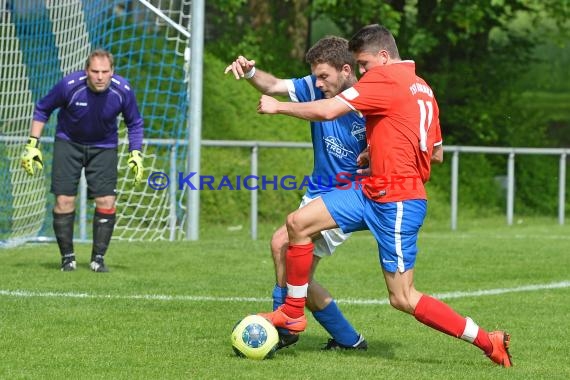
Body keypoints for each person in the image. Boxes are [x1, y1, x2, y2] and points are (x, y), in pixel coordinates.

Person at [256, 25, 512, 367]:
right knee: (297, 224)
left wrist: (277, 107)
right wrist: (377, 151)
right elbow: (435, 153)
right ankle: (291, 315)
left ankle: (487, 340)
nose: (361, 72)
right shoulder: (423, 88)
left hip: (397, 201)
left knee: (402, 297)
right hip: (370, 189)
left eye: (363, 64)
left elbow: (329, 109)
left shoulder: (385, 78)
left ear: (383, 56)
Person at [224, 36, 369, 350]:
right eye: (315, 76)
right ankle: (348, 339)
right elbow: (273, 84)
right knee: (297, 274)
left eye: (324, 76)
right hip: (317, 192)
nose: (317, 83)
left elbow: (326, 114)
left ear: (346, 70)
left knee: (281, 243)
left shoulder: (370, 100)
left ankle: (286, 325)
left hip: (348, 196)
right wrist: (250, 73)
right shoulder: (318, 85)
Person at [21, 49, 144, 273]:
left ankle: (98, 259)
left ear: (112, 72)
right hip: (69, 144)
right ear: (86, 70)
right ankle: (68, 258)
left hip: (104, 147)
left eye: (105, 71)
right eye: (95, 71)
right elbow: (42, 109)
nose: (100, 76)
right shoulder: (69, 85)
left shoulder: (123, 89)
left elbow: (134, 122)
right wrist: (32, 145)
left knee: (107, 202)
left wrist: (135, 153)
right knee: (64, 202)